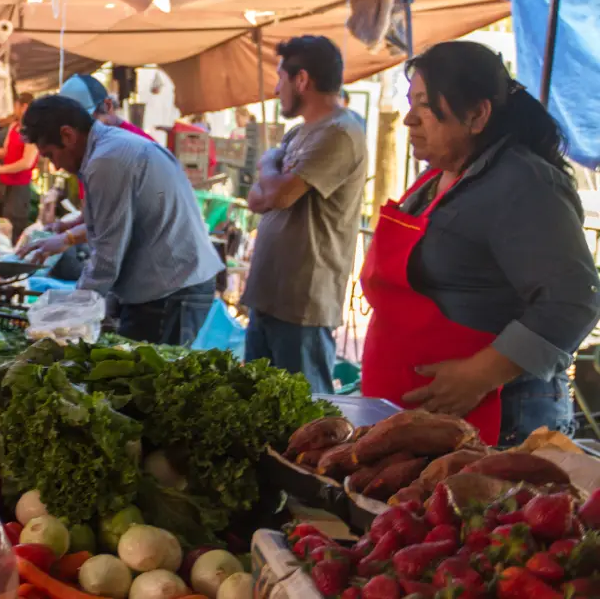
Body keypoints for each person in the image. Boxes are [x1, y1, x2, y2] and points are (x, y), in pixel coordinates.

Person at [360, 41, 600, 447]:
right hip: (424, 420)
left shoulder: (523, 183)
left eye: (424, 104)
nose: (408, 120)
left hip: (502, 417)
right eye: (409, 102)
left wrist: (480, 374)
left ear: (476, 114)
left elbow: (574, 300)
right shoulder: (437, 179)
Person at [20, 95, 224, 346]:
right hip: (167, 286)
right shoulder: (109, 149)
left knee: (148, 380)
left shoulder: (107, 161)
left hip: (172, 290)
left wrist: (68, 315)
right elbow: (107, 224)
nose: (57, 166)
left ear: (68, 135)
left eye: (51, 155)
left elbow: (107, 253)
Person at [240, 36, 367, 394]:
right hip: (268, 295)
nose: (277, 87)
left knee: (304, 421)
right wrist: (273, 180)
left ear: (302, 80)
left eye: (281, 78)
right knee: (258, 410)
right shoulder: (299, 133)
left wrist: (268, 162)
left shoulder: (341, 133)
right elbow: (255, 199)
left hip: (303, 304)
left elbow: (278, 195)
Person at [20, 77, 153, 258]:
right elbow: (97, 211)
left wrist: (68, 238)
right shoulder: (88, 151)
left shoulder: (112, 153)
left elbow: (114, 225)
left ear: (108, 106)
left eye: (87, 122)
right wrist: (69, 226)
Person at [0, 92, 38, 241]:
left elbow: (26, 162)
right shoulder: (13, 127)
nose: (13, 110)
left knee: (12, 231)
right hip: (3, 184)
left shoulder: (32, 131)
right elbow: (6, 153)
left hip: (19, 189)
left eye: (15, 106)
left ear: (24, 107)